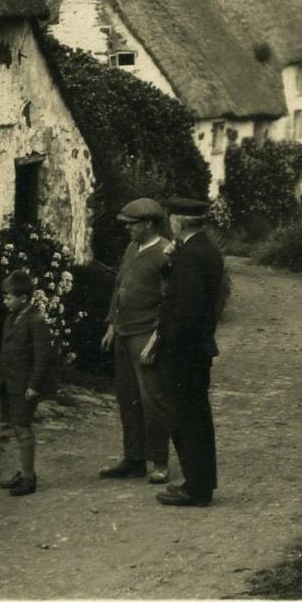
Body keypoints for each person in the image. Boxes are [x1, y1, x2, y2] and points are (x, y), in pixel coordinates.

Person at [147, 196, 224, 507]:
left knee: (185, 417)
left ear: (178, 221)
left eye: (171, 218)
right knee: (196, 417)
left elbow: (185, 309)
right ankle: (201, 482)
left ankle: (196, 488)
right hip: (196, 350)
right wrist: (171, 260)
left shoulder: (192, 255)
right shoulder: (203, 250)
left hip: (184, 352)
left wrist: (167, 344)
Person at [98, 197, 173, 483]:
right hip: (124, 332)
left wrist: (157, 339)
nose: (128, 230)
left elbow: (170, 302)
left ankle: (160, 462)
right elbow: (119, 288)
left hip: (146, 335)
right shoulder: (131, 248)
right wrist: (111, 325)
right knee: (127, 398)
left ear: (150, 224)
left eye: (133, 225)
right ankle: (133, 459)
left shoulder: (166, 253)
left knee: (151, 399)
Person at [0, 269, 57, 497]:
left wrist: (34, 385)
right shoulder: (11, 319)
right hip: (9, 382)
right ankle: (23, 470)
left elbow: (43, 357)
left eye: (8, 297)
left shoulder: (35, 321)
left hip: (24, 385)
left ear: (24, 298)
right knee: (15, 426)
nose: (5, 301)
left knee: (23, 428)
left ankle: (29, 478)